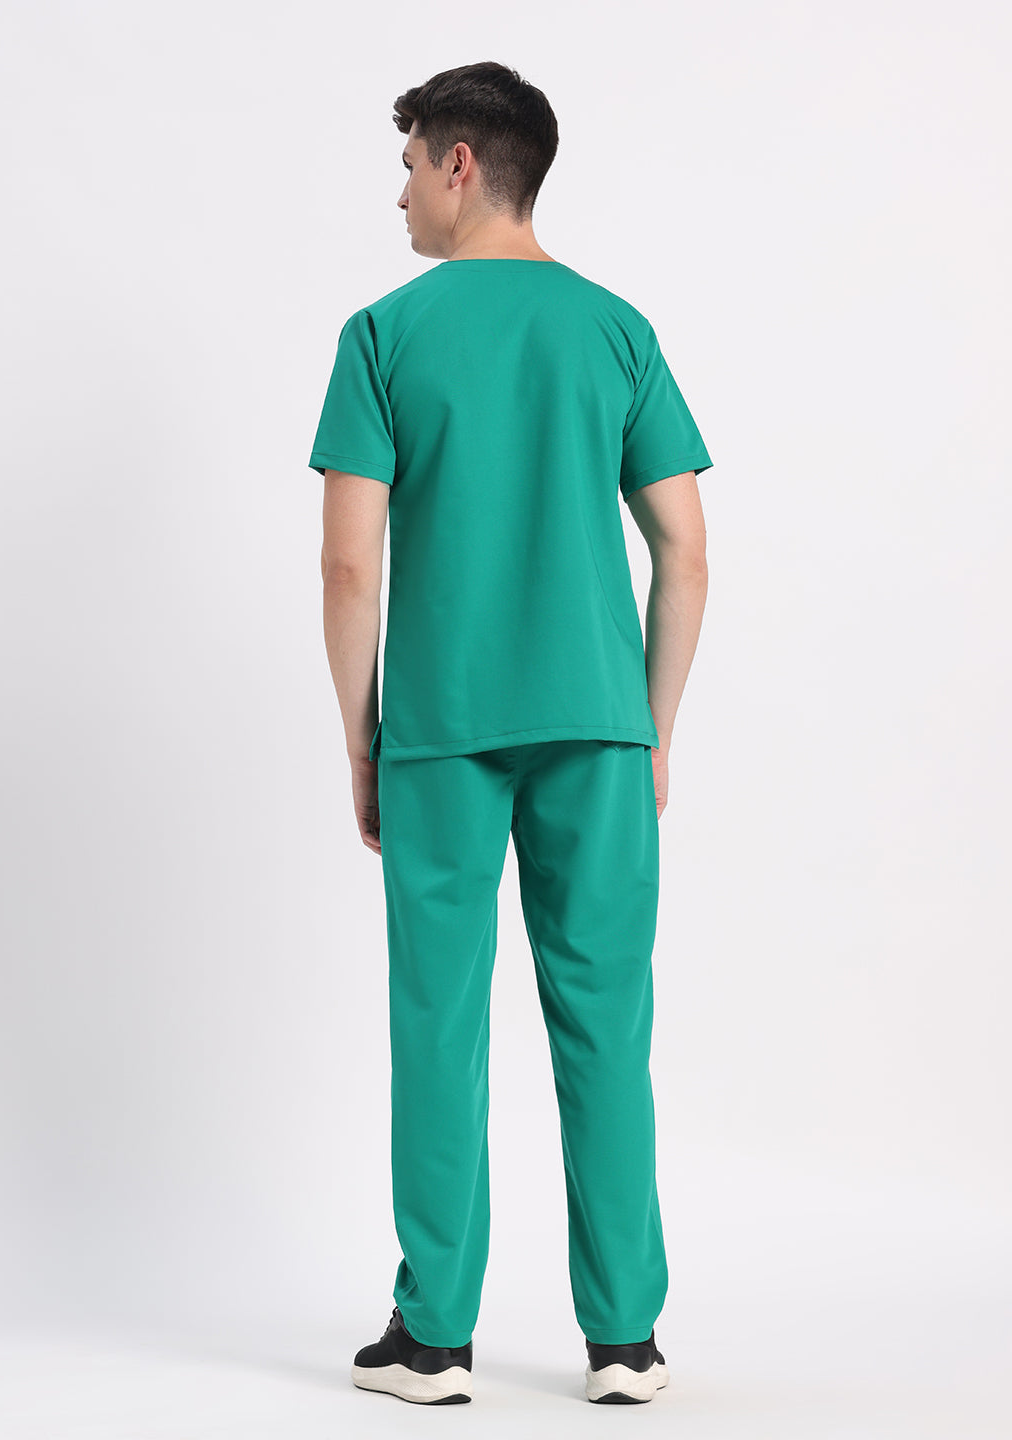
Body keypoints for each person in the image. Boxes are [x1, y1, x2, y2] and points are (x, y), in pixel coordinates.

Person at [307, 60, 713, 1406]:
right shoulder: (616, 330)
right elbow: (685, 549)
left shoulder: (383, 336)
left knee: (438, 1022)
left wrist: (363, 737)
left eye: (409, 165)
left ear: (462, 163)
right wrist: (651, 728)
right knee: (605, 1020)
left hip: (442, 730)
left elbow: (349, 567)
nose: (401, 195)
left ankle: (433, 1340)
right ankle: (626, 1342)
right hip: (599, 728)